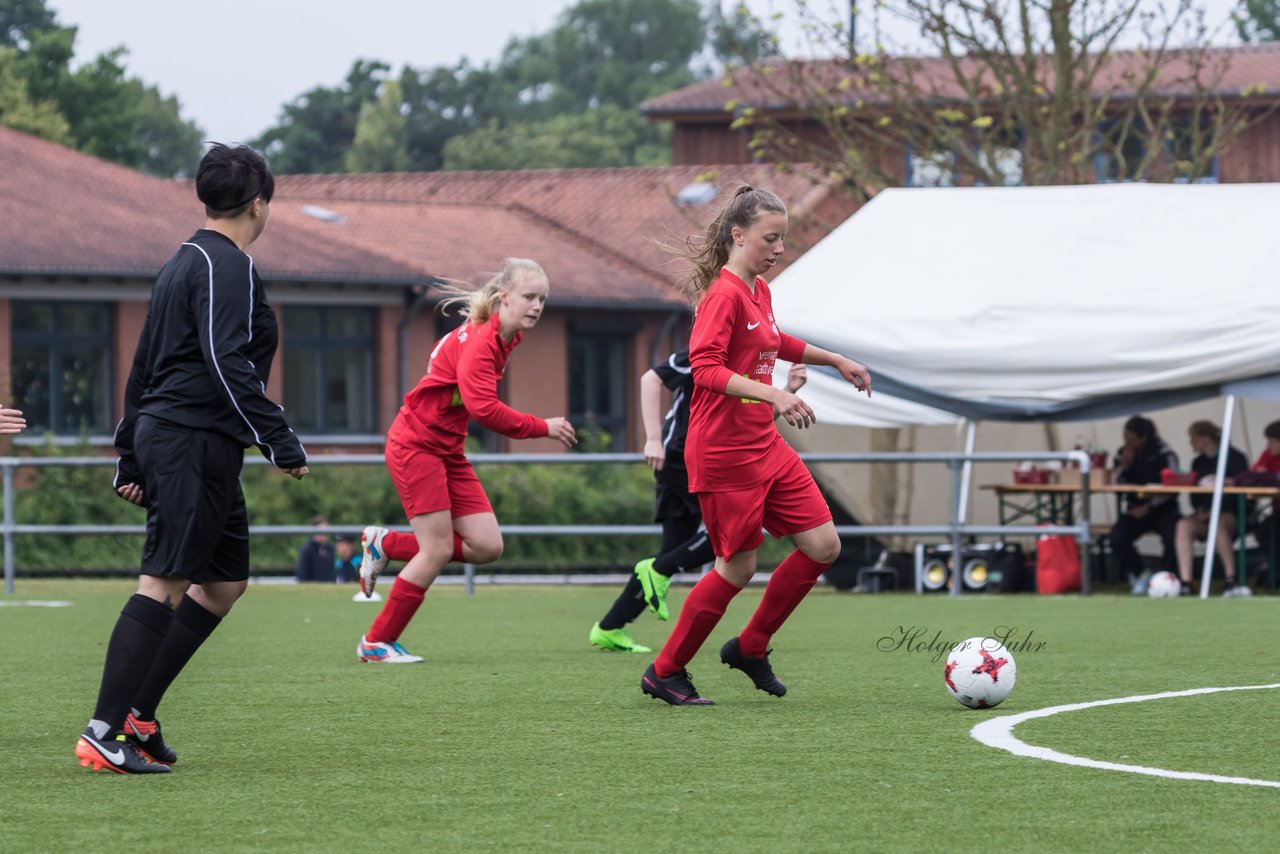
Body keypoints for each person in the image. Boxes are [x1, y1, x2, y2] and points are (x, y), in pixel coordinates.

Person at [75, 143, 309, 774]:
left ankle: (137, 717)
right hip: (188, 440)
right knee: (166, 580)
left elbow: (144, 365)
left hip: (197, 441)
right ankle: (102, 732)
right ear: (259, 204)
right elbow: (223, 359)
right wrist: (277, 437)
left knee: (224, 582)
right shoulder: (221, 265)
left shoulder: (186, 261)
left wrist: (128, 453)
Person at [639, 185, 871, 706]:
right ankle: (665, 670)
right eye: (772, 238)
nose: (779, 248)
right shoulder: (721, 295)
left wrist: (835, 359)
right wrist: (773, 393)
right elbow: (705, 370)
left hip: (763, 444)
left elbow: (773, 340)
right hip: (724, 454)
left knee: (823, 545)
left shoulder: (758, 291)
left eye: (782, 239)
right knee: (737, 568)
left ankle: (750, 646)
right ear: (737, 236)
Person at [355, 258, 577, 664]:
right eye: (529, 296)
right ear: (503, 297)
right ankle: (375, 641)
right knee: (436, 549)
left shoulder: (504, 336)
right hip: (416, 446)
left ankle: (384, 543)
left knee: (487, 545)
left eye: (542, 299)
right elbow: (485, 410)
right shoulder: (481, 342)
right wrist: (541, 427)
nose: (537, 306)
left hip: (447, 450)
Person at [588, 350, 806, 653]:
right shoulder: (707, 350)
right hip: (681, 457)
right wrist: (652, 439)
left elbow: (757, 419)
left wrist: (789, 390)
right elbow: (650, 379)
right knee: (732, 537)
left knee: (677, 546)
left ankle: (610, 627)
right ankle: (658, 569)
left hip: (698, 458)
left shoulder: (749, 367)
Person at [1173, 420, 1249, 595]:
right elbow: (1194, 494)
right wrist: (1201, 510)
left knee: (1218, 522)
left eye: (1193, 438)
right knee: (1183, 525)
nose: (1190, 443)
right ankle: (1187, 582)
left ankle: (1231, 578)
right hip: (1204, 514)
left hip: (1231, 514)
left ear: (1205, 437)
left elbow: (1242, 490)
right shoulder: (1197, 463)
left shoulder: (1235, 458)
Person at [1108, 415, 1179, 590]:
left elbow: (1173, 486)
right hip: (1135, 509)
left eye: (1131, 440)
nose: (1127, 444)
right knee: (1117, 537)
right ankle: (1141, 572)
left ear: (1143, 437)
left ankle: (1168, 575)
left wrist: (1149, 506)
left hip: (1162, 508)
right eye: (1125, 439)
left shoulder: (1164, 453)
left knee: (1173, 537)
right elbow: (1112, 485)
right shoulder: (1121, 453)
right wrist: (1123, 466)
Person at [296, 515, 335, 582]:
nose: (325, 534)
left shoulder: (330, 549)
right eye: (322, 532)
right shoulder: (307, 550)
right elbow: (302, 576)